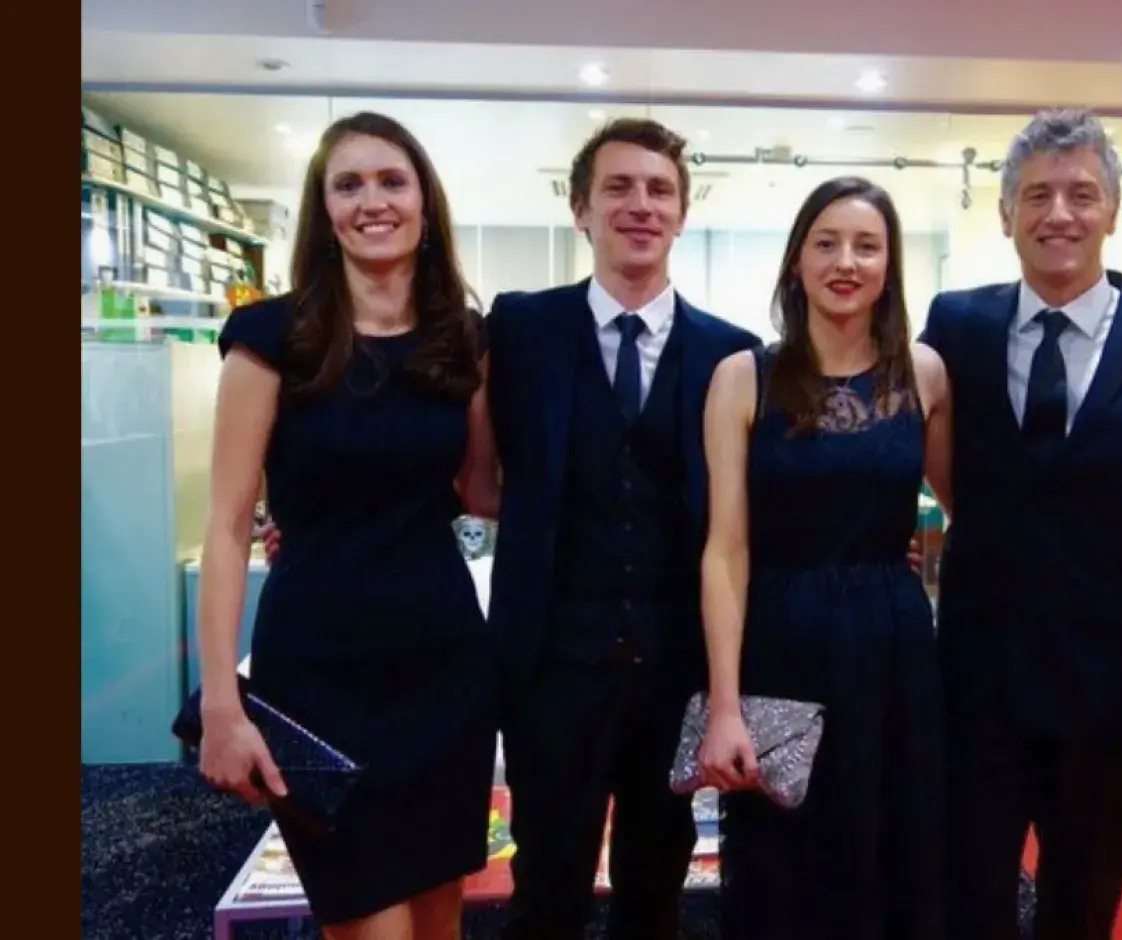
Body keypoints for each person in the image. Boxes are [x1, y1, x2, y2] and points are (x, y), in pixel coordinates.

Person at [919, 108, 1122, 940]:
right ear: (1005, 214)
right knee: (964, 906)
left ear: (1113, 209)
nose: (1057, 214)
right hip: (975, 693)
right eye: (1035, 196)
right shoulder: (956, 326)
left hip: (1110, 706)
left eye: (1080, 193)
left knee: (1080, 912)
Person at [195, 111, 501, 940]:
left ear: (425, 204)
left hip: (444, 674)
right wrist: (224, 703)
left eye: (392, 181)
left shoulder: (462, 342)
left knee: (439, 927)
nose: (373, 201)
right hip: (320, 677)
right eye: (349, 184)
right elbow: (225, 528)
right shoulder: (270, 338)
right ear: (323, 210)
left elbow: (483, 493)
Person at [482, 118, 761, 939]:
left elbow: (746, 513)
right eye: (618, 187)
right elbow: (460, 458)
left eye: (659, 190)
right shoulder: (519, 329)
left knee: (656, 882)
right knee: (546, 885)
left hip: (675, 670)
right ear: (580, 210)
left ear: (682, 213)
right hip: (550, 666)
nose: (641, 205)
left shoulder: (730, 353)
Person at [697, 176, 953, 940]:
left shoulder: (925, 372)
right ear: (797, 260)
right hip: (782, 644)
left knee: (892, 851)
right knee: (783, 868)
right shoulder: (744, 377)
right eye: (827, 242)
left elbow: (978, 510)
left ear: (889, 265)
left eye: (867, 245)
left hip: (894, 649)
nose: (847, 261)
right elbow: (726, 550)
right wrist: (722, 706)